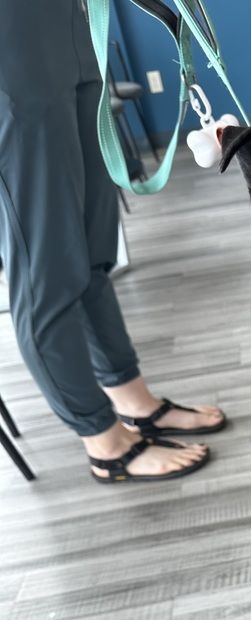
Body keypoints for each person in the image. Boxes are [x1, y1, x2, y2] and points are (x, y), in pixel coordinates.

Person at [0, 0, 225, 483]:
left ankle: (133, 400)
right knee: (48, 273)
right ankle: (102, 440)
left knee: (93, 254)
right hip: (10, 44)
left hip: (69, 25)